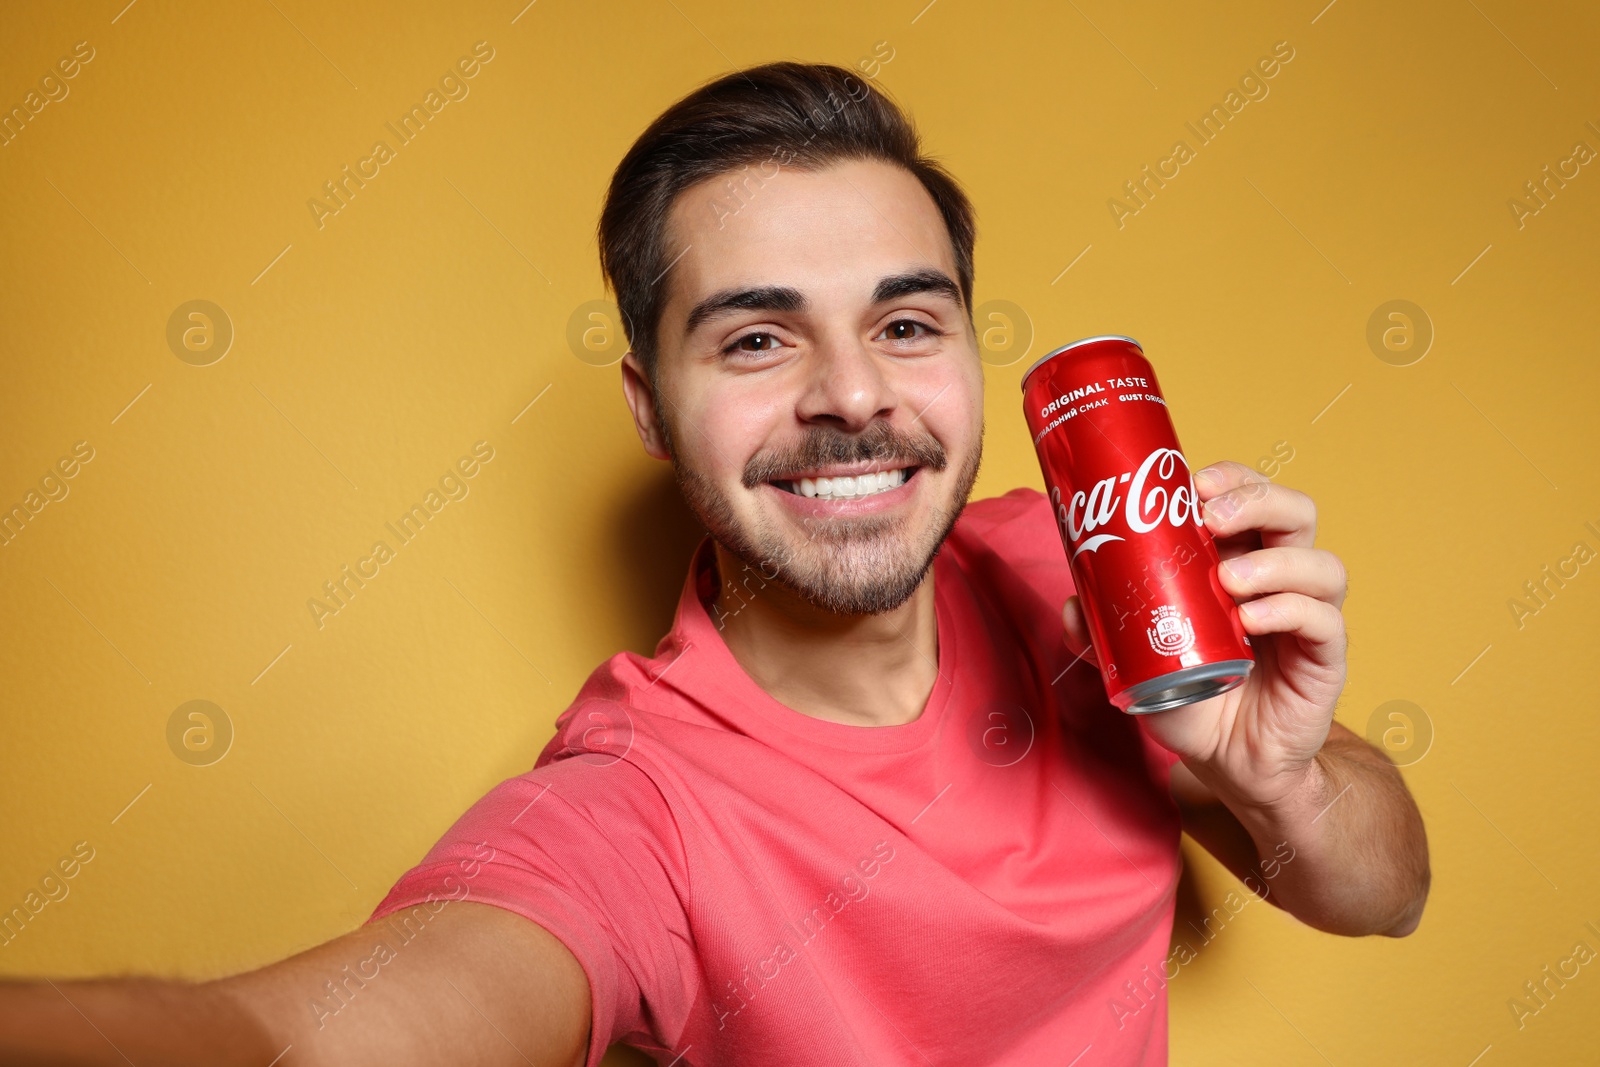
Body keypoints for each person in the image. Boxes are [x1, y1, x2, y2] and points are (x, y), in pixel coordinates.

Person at [0, 61, 1428, 1067]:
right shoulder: (634, 802)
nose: (855, 395)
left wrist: (1275, 774)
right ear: (648, 407)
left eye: (908, 325)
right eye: (757, 338)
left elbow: (1384, 896)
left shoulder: (1075, 576)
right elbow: (310, 1040)